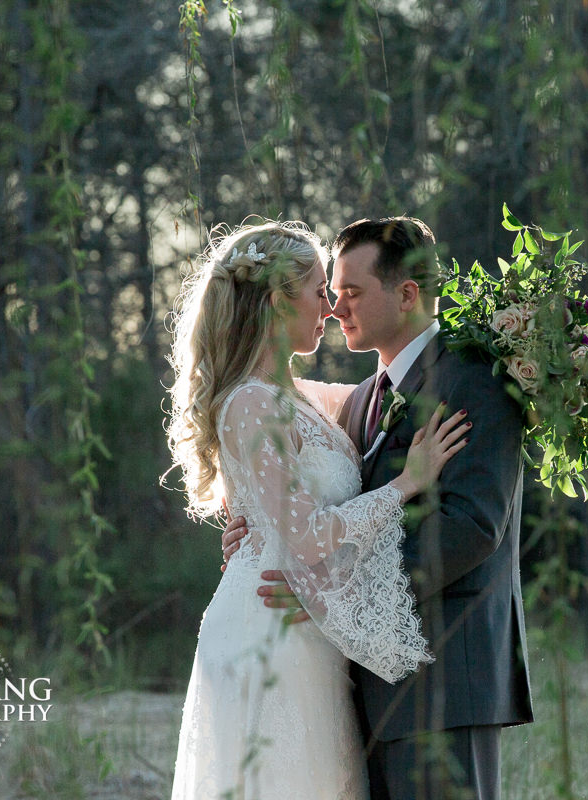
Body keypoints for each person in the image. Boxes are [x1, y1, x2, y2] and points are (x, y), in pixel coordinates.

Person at [224, 217, 533, 800]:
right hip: (360, 688)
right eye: (331, 292)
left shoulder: (475, 379)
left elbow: (470, 526)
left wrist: (332, 593)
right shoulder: (361, 398)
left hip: (446, 680)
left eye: (352, 291)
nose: (335, 307)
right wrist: (259, 536)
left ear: (408, 293)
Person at [166, 220, 472, 800]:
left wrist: (513, 349)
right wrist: (407, 483)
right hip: (269, 629)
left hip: (310, 629)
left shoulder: (304, 396)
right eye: (317, 292)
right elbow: (306, 536)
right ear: (277, 302)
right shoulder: (250, 405)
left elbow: (391, 388)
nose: (330, 308)